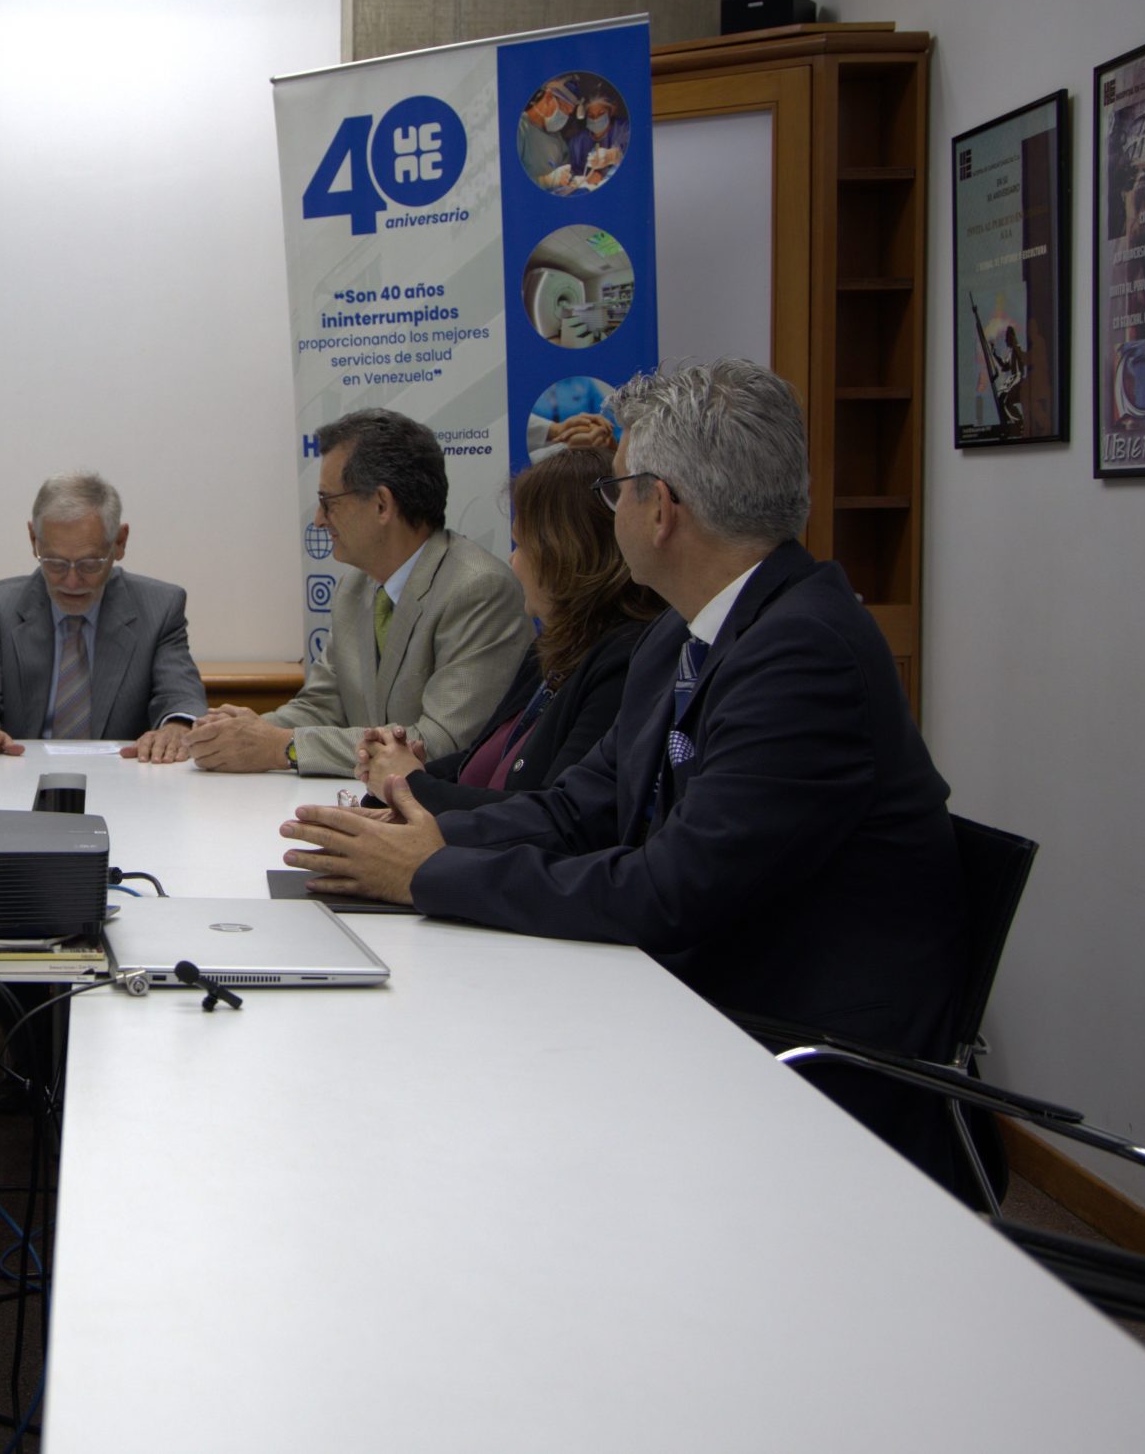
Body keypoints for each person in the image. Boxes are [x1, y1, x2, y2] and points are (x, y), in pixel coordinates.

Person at [280, 360, 970, 1184]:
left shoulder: (804, 652)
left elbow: (669, 890)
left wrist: (428, 872)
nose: (610, 515)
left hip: (795, 1070)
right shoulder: (682, 635)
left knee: (461, 1114)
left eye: (614, 493)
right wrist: (414, 833)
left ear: (661, 507)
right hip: (694, 1003)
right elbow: (578, 809)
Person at [187, 408, 530, 778]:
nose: (319, 520)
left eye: (328, 502)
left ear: (382, 505)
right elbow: (322, 706)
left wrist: (279, 746)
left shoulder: (480, 589)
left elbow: (437, 743)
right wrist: (234, 734)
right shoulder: (355, 586)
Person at [355, 448, 663, 812]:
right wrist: (395, 772)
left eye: (523, 545)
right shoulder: (551, 648)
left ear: (565, 554)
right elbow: (480, 762)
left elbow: (553, 818)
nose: (513, 561)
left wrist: (412, 785)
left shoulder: (624, 663)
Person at [0, 472, 208, 764]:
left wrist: (176, 728)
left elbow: (181, 695)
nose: (72, 581)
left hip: (125, 773)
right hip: (23, 772)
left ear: (119, 542)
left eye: (90, 563)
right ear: (34, 539)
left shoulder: (160, 607)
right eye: (55, 563)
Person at [517, 77, 580, 193]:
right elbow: (511, 183)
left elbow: (567, 171)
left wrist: (572, 179)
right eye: (564, 109)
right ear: (548, 97)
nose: (565, 117)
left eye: (569, 113)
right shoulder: (520, 129)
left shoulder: (557, 137)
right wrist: (547, 181)